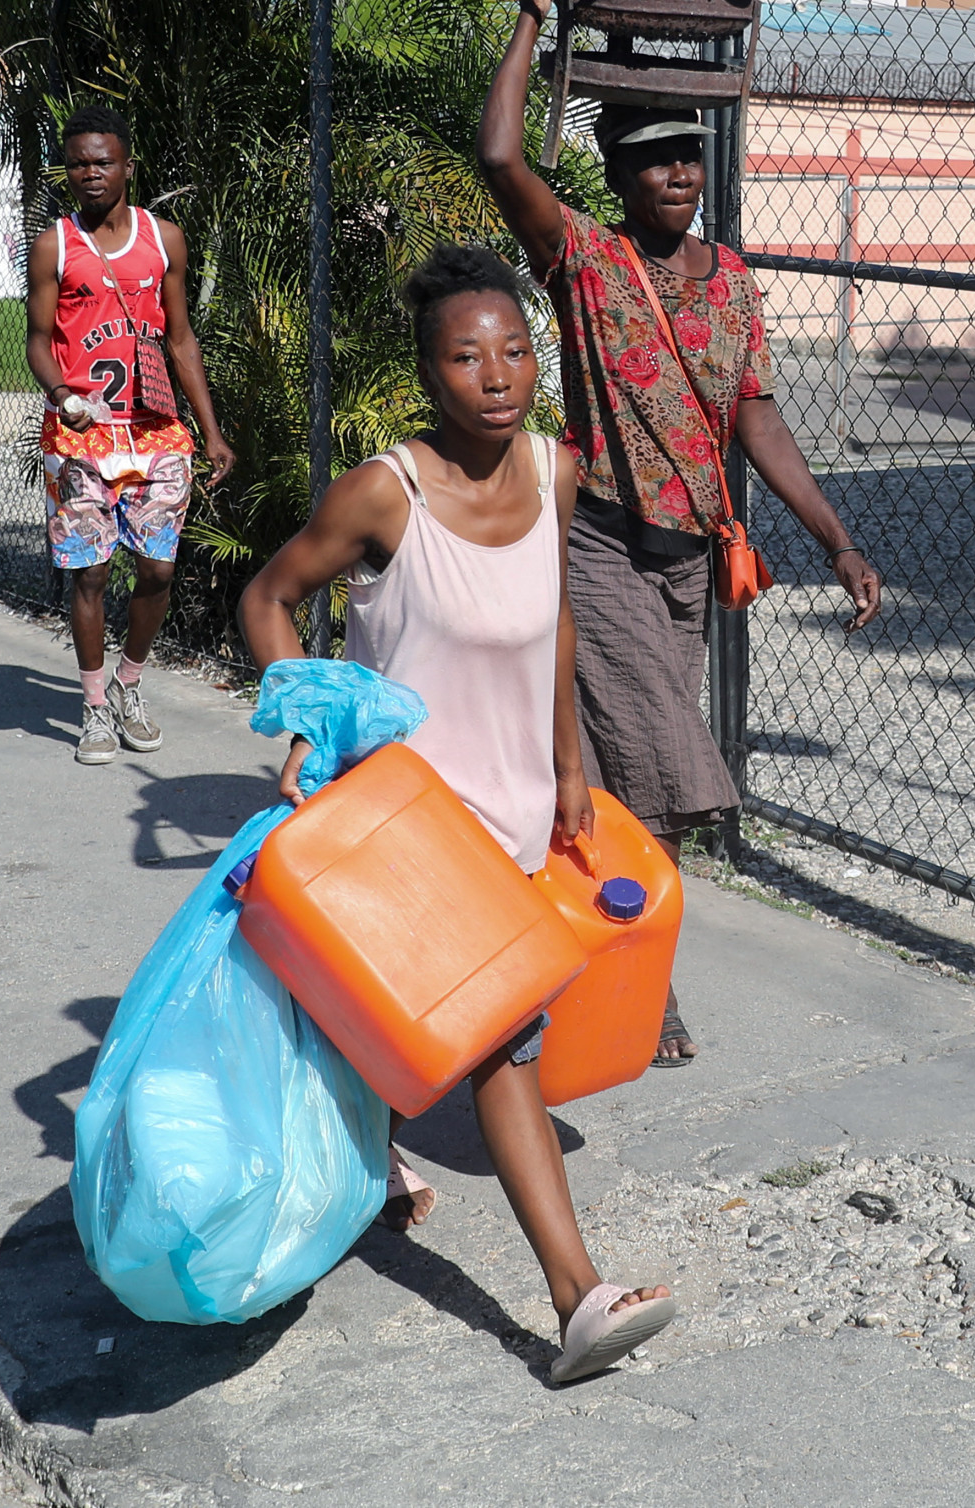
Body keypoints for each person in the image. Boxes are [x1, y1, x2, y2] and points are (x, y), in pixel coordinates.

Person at [238, 242, 676, 1384]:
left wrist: (570, 765)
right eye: (466, 356)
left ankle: (351, 1163)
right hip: (409, 822)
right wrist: (307, 718)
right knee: (497, 1039)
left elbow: (558, 618)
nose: (498, 375)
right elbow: (269, 596)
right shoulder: (384, 492)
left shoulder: (556, 469)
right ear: (426, 375)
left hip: (519, 804)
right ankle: (575, 1299)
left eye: (516, 351)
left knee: (372, 1016)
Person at [476, 0, 882, 1067]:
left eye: (687, 160)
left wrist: (836, 541)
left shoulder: (733, 285)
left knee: (615, 786)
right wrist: (529, 20)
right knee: (663, 749)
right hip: (600, 545)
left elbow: (759, 424)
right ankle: (630, 974)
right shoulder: (586, 262)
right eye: (651, 160)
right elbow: (501, 153)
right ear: (611, 171)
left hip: (689, 563)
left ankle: (617, 978)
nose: (675, 177)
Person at [26, 105, 235, 765]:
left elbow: (180, 339)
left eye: (103, 162)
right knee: (88, 576)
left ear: (127, 167)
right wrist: (62, 395)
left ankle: (129, 683)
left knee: (158, 567)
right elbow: (37, 342)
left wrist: (211, 430)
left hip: (156, 430)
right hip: (81, 438)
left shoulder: (163, 238)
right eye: (79, 163)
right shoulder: (55, 245)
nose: (90, 173)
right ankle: (93, 709)